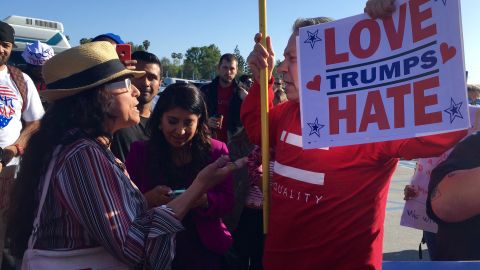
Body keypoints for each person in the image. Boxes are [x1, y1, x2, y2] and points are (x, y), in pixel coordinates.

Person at [240, 1, 468, 268]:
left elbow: (446, 132)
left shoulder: (369, 123)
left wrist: (402, 9)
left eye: (291, 59)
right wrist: (261, 81)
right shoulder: (287, 113)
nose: (279, 68)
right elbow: (258, 131)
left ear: (324, 62)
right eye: (282, 59)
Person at [7, 41, 245, 270]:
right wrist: (198, 188)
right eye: (124, 83)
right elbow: (135, 247)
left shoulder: (87, 147)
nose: (135, 90)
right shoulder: (83, 155)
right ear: (99, 97)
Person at [125, 83, 234, 269]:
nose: (180, 131)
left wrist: (205, 200)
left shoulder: (216, 151)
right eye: (173, 121)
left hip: (203, 248)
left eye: (188, 122)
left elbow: (228, 200)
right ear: (160, 119)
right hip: (154, 245)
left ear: (199, 121)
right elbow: (125, 205)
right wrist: (148, 199)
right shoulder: (140, 152)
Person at [0, 21, 44, 269]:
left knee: (4, 229)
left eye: (5, 44)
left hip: (8, 171)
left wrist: (15, 147)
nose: (0, 49)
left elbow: (36, 121)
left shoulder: (20, 80)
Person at [111, 50, 162, 162]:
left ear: (160, 84)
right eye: (139, 75)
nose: (146, 83)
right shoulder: (113, 117)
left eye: (152, 77)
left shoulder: (164, 124)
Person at [201, 54, 245, 143]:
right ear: (219, 68)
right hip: (207, 143)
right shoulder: (205, 91)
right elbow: (193, 115)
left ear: (236, 70)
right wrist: (206, 122)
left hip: (233, 147)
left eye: (232, 68)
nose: (228, 72)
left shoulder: (242, 95)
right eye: (225, 67)